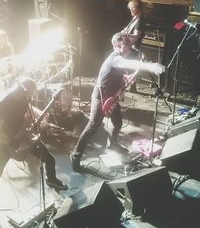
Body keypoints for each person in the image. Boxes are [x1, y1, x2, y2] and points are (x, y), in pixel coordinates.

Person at [70, 32, 165, 172]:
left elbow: (118, 72)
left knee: (117, 122)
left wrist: (125, 78)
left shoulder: (119, 57)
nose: (130, 48)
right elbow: (127, 63)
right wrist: (150, 66)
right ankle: (75, 156)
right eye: (127, 46)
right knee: (92, 126)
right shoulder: (115, 59)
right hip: (101, 96)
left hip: (111, 95)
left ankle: (112, 144)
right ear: (119, 46)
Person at [0, 75, 68, 194]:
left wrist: (39, 114)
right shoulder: (1, 103)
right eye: (28, 93)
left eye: (30, 94)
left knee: (49, 159)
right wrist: (13, 143)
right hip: (5, 145)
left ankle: (51, 180)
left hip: (23, 136)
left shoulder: (23, 97)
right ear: (19, 87)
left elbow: (29, 108)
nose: (29, 97)